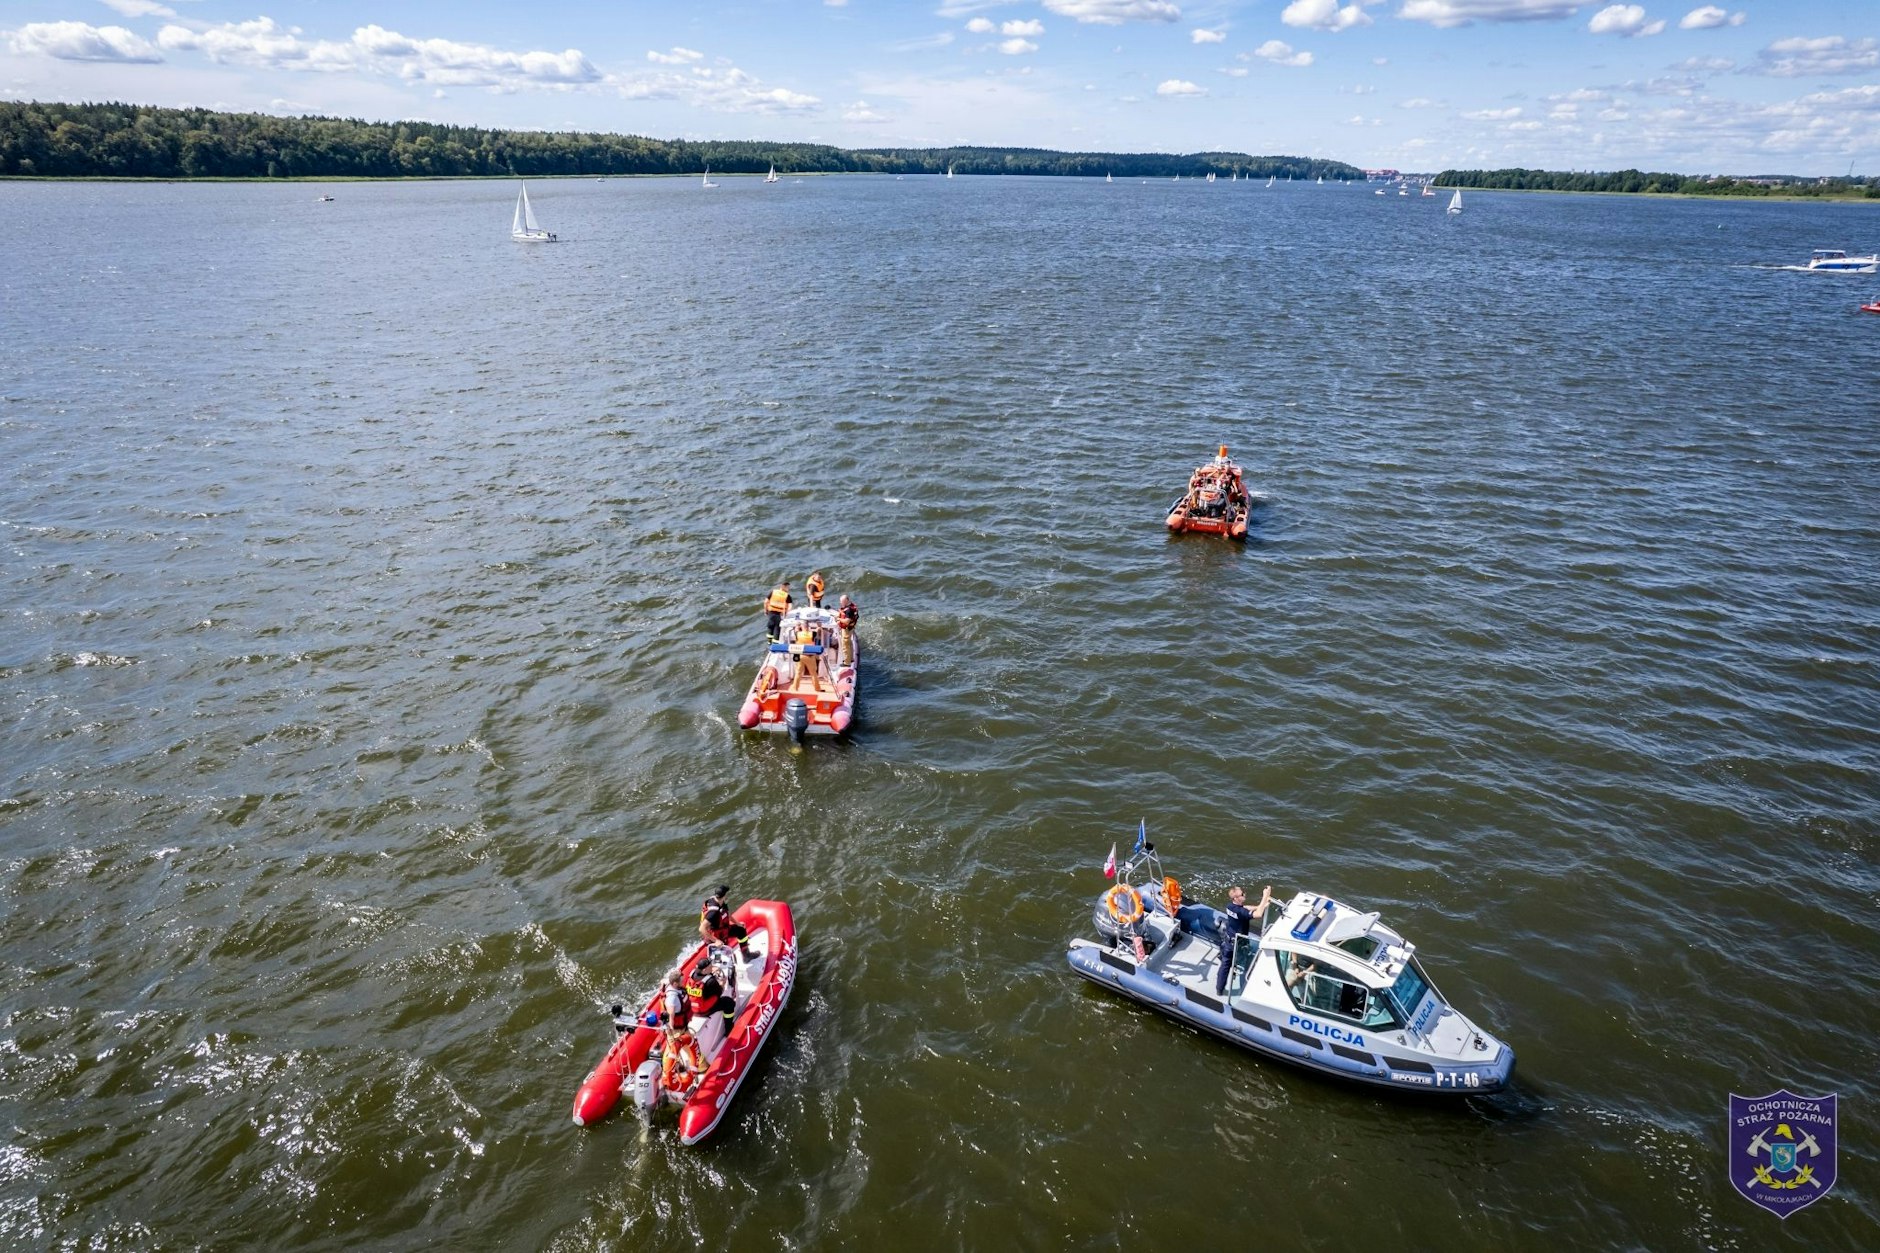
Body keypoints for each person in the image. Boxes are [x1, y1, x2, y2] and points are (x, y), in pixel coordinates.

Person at [1215, 885, 1271, 996]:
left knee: (1225, 965)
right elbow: (1258, 914)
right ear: (1235, 898)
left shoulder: (1230, 906)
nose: (1244, 894)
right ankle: (1241, 989)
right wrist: (1265, 896)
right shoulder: (1240, 912)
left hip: (1229, 941)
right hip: (1238, 944)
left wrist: (1260, 905)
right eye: (1242, 894)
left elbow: (1245, 908)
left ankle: (1219, 989)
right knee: (1242, 964)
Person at [700, 886, 756, 961]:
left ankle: (746, 955)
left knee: (741, 930)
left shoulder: (719, 902)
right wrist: (716, 941)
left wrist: (738, 923)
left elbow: (726, 914)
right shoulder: (713, 913)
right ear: (724, 896)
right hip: (715, 936)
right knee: (723, 957)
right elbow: (701, 928)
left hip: (723, 930)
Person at [658, 1018, 705, 1095]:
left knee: (671, 1053)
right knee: (673, 1052)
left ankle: (667, 1078)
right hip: (678, 1031)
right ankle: (700, 1071)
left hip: (676, 1030)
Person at [835, 594, 859, 666]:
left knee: (845, 645)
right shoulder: (852, 606)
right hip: (850, 629)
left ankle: (846, 662)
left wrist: (838, 619)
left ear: (846, 601)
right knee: (849, 644)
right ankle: (851, 658)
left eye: (841, 601)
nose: (840, 603)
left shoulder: (848, 610)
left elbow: (847, 621)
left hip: (846, 630)